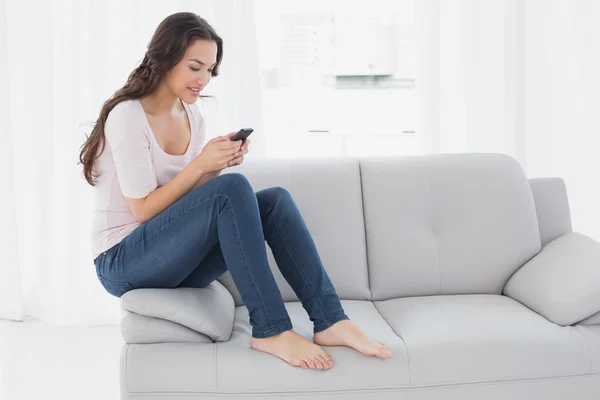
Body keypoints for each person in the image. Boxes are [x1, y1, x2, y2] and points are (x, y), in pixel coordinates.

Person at [78, 12, 392, 370]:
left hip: (169, 258)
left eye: (210, 70)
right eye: (195, 67)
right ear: (164, 58)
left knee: (274, 202)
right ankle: (271, 329)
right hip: (122, 261)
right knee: (233, 188)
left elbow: (194, 206)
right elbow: (144, 212)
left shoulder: (192, 116)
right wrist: (202, 167)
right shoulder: (128, 115)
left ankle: (330, 319)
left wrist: (215, 166)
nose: (204, 80)